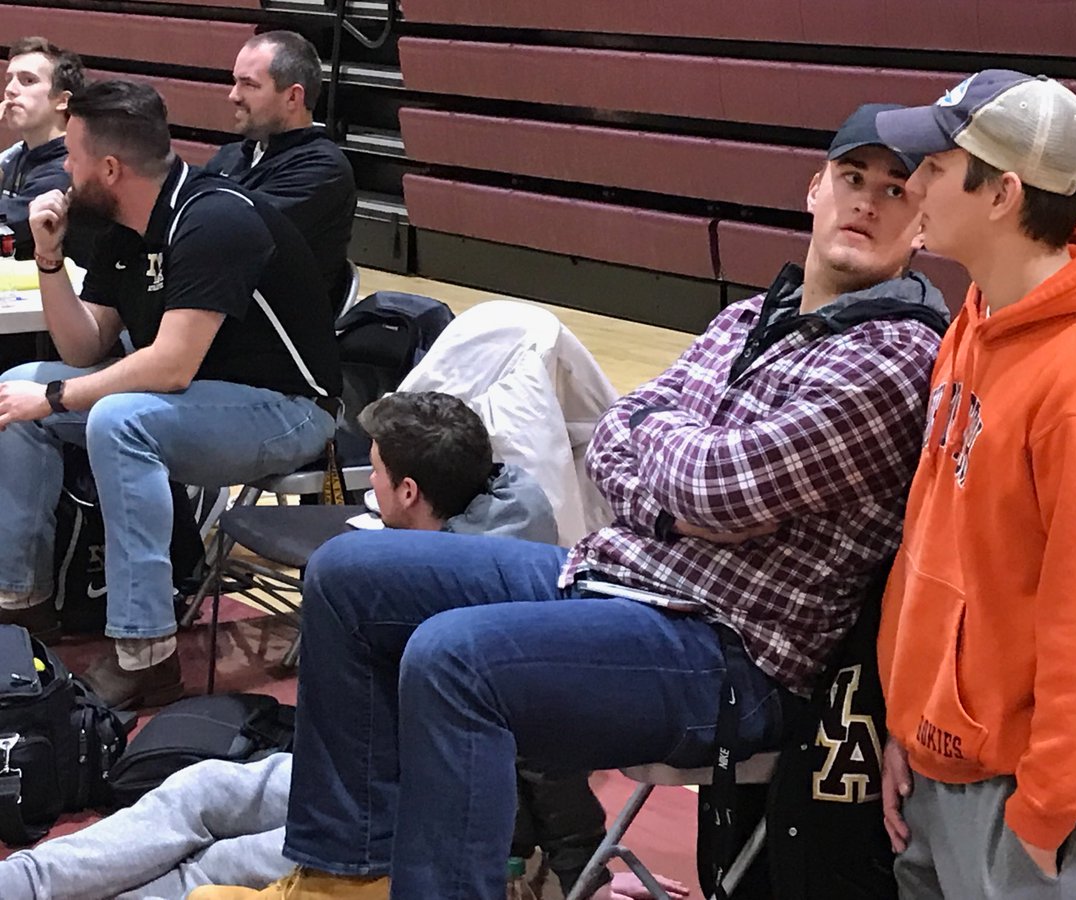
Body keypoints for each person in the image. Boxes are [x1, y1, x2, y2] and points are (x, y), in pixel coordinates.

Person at [194, 102, 951, 900]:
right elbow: (617, 432)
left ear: (924, 226)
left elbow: (718, 485)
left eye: (895, 192)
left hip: (728, 651)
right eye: (853, 178)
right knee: (350, 572)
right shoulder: (745, 318)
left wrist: (672, 474)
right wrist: (678, 493)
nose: (868, 203)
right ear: (815, 189)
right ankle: (347, 879)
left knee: (454, 659)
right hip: (615, 579)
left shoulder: (897, 355)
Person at [0, 391, 684, 900]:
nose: (369, 486)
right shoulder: (475, 521)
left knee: (211, 868)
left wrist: (587, 874)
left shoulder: (481, 602)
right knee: (200, 789)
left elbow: (547, 760)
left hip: (413, 820)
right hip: (361, 774)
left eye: (375, 472)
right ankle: (23, 884)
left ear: (408, 491)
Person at [872, 71, 1076, 899]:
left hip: (1022, 790)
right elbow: (934, 542)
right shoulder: (975, 321)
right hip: (938, 761)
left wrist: (1048, 808)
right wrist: (907, 721)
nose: (913, 184)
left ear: (1002, 194)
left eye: (937, 166)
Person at [0, 80, 341, 709]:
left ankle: (146, 653)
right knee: (13, 390)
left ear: (110, 168)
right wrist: (49, 258)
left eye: (72, 156)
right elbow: (83, 346)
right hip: (196, 401)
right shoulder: (124, 229)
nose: (65, 171)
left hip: (289, 410)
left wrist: (56, 398)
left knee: (117, 419)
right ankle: (22, 604)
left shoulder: (213, 218)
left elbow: (171, 366)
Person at [203, 31, 355, 312]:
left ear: (293, 97)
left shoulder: (322, 169)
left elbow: (229, 236)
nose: (233, 95)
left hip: (268, 327)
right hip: (216, 307)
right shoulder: (231, 155)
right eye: (235, 82)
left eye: (249, 84)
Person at [0, 36, 93, 265]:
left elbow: (10, 229)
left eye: (28, 80)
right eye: (9, 80)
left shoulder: (66, 168)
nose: (10, 90)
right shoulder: (16, 155)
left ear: (62, 100)